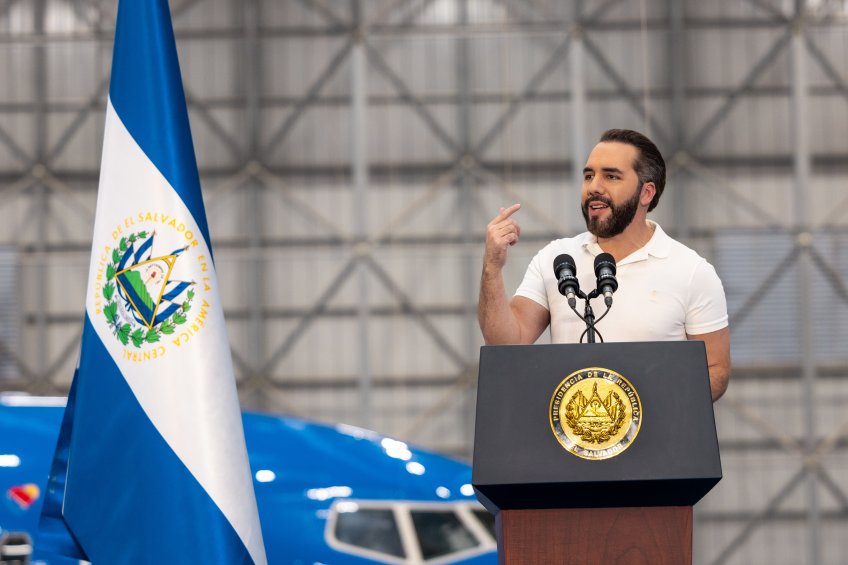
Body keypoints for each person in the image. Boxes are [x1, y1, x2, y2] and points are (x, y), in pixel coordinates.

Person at [478, 128, 730, 400]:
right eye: (589, 176)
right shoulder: (556, 258)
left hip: (656, 427)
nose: (594, 187)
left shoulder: (692, 271)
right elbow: (506, 344)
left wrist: (646, 410)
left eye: (611, 176)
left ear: (646, 193)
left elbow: (715, 370)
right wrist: (492, 267)